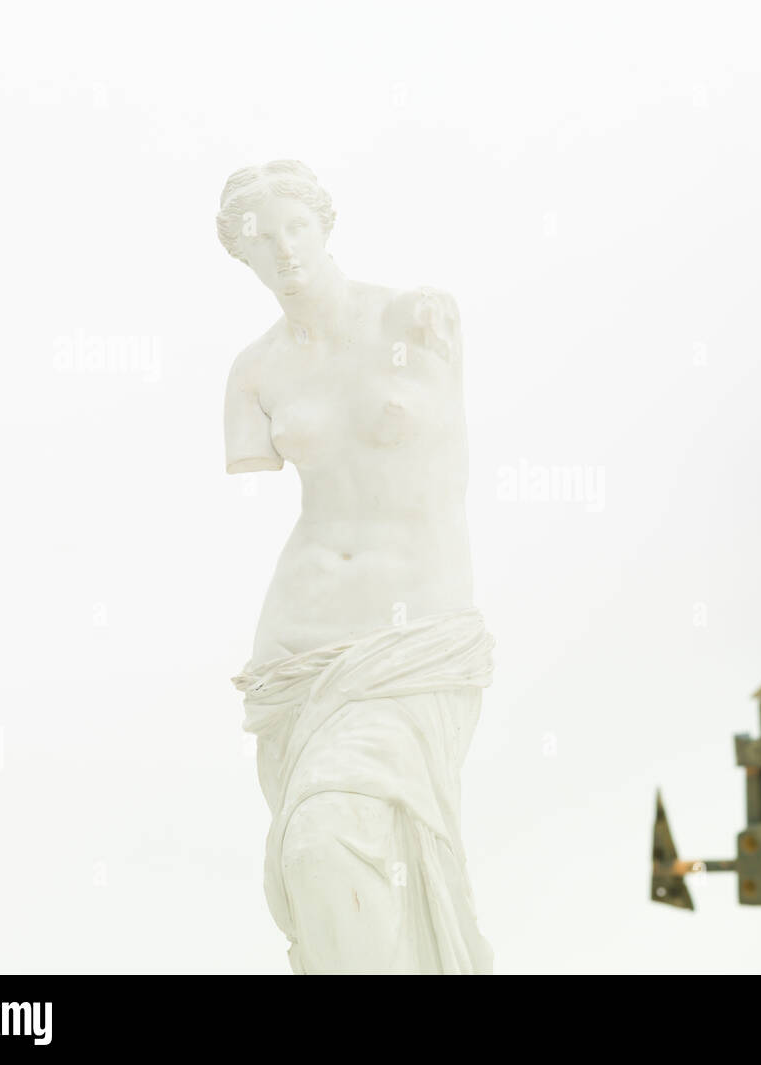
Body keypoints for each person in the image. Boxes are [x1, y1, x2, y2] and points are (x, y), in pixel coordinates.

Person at [217, 160, 495, 974]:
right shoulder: (254, 372)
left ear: (324, 223)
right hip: (296, 655)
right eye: (259, 240)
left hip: (413, 637)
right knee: (322, 876)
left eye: (293, 227)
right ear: (242, 257)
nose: (284, 251)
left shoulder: (414, 320)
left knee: (328, 838)